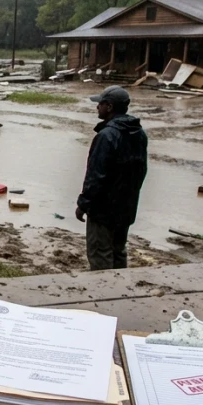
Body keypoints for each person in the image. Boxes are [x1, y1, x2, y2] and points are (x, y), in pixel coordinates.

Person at [75, 85, 148, 270]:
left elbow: (96, 176)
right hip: (127, 208)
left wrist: (83, 204)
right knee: (118, 251)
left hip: (103, 211)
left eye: (100, 104)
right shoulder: (139, 134)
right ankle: (119, 294)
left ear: (109, 107)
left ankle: (103, 293)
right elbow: (141, 172)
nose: (96, 107)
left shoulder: (106, 136)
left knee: (100, 254)